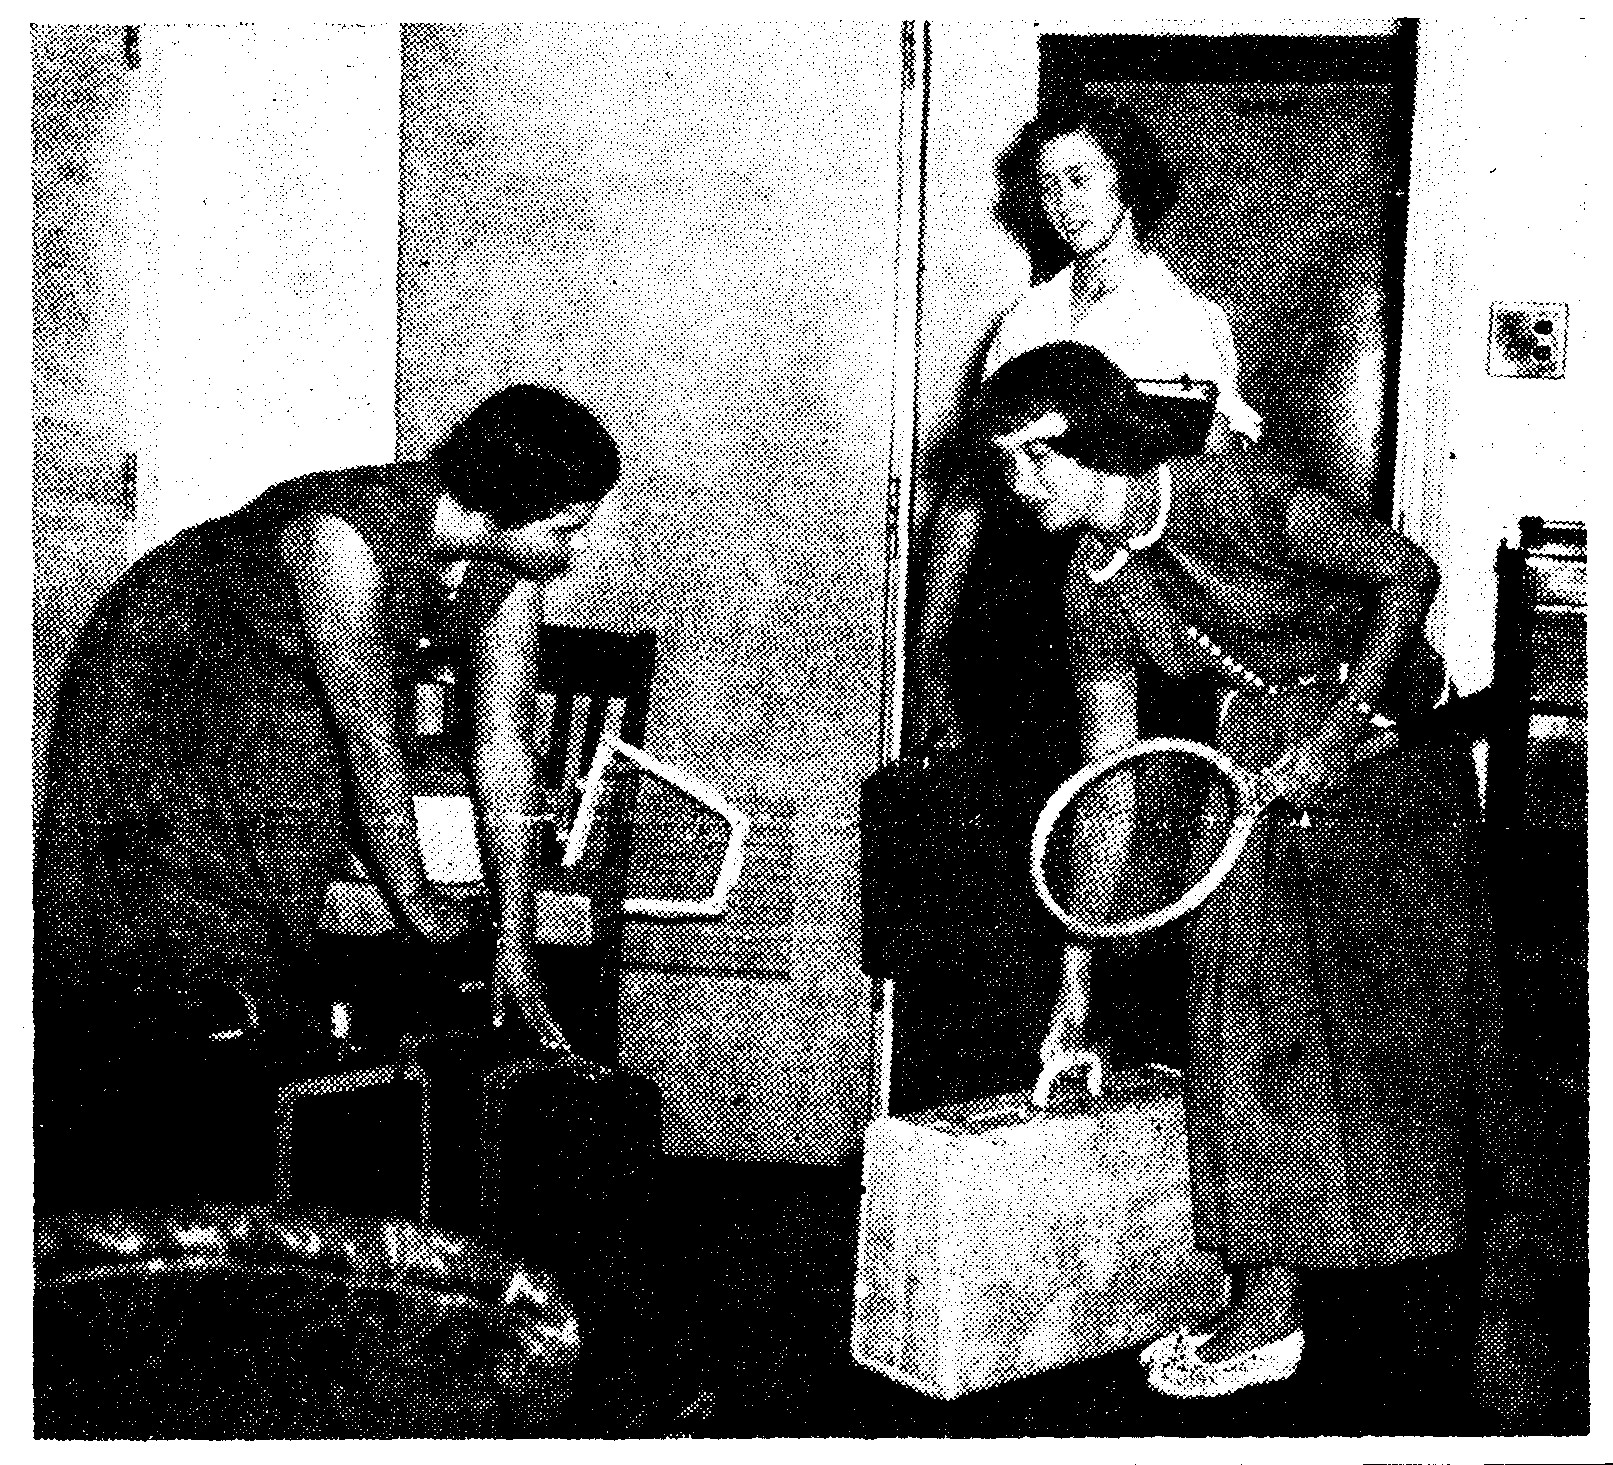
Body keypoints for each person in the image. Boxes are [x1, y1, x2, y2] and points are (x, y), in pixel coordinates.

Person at [971, 341, 1497, 1399]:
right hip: (1258, 745)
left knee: (1391, 1029)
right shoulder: (1091, 587)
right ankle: (1265, 1309)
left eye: (1036, 458)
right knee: (1238, 1002)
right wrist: (1076, 986)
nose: (1018, 487)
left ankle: (1425, 1337)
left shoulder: (1236, 494)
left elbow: (1407, 572)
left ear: (1096, 441)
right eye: (1005, 464)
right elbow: (1108, 786)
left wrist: (1344, 730)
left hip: (1387, 733)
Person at [36, 384, 620, 1056]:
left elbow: (505, 747)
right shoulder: (341, 537)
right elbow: (370, 740)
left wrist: (516, 938)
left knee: (285, 857)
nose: (568, 552)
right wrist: (419, 903)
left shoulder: (510, 570)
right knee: (184, 889)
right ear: (501, 508)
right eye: (564, 529)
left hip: (280, 684)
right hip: (165, 659)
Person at [911, 93, 1259, 752]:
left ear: (1125, 179)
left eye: (1080, 178)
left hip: (1128, 611)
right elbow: (969, 494)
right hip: (1020, 617)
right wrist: (931, 652)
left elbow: (1219, 485)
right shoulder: (1026, 320)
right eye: (1047, 186)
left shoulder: (1180, 318)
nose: (1061, 202)